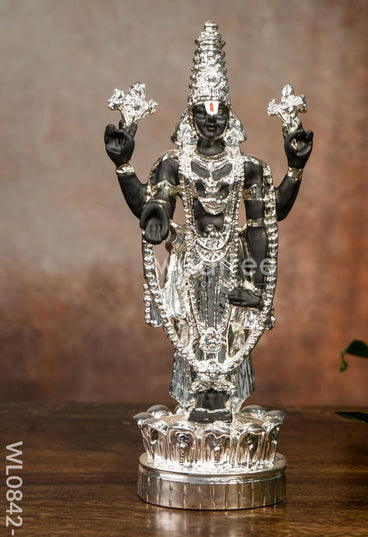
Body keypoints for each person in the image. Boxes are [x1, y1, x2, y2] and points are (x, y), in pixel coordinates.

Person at [104, 22, 312, 423]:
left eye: (219, 112)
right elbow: (152, 207)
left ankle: (225, 412)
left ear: (230, 116)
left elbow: (269, 217)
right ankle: (196, 408)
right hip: (190, 262)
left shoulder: (249, 167)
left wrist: (295, 169)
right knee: (191, 336)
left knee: (231, 335)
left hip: (236, 261)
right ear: (192, 115)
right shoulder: (174, 162)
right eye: (203, 111)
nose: (211, 120)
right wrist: (123, 166)